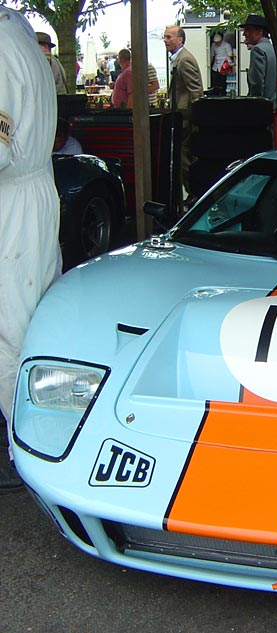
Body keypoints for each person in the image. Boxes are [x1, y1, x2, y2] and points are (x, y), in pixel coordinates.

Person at [1, 8, 62, 489]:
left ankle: (25, 445)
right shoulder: (18, 35)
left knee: (11, 332)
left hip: (12, 201)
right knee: (34, 317)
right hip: (33, 193)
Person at [163, 24, 204, 202]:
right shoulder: (178, 58)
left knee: (185, 157)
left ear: (180, 40)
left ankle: (194, 193)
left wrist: (198, 118)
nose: (165, 40)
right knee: (183, 157)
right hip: (183, 117)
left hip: (187, 118)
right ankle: (193, 193)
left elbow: (196, 91)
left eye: (169, 37)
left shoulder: (184, 59)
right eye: (164, 37)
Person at [240, 14, 276, 105]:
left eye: (248, 29)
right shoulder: (273, 49)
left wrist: (254, 105)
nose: (244, 33)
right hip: (275, 104)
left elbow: (257, 83)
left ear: (259, 31)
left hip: (263, 107)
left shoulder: (258, 50)